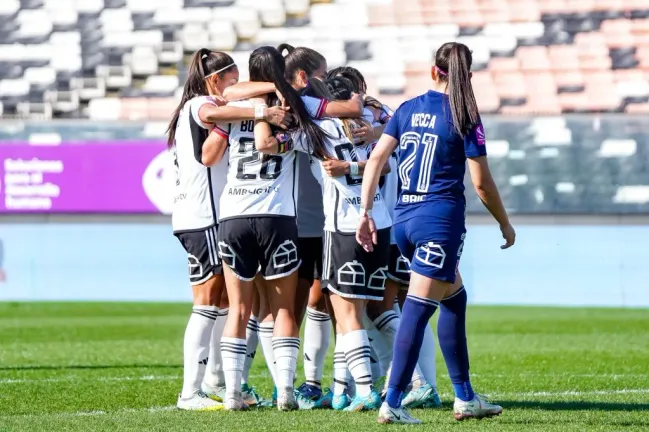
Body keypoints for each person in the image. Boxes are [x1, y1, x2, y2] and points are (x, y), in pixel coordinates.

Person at [356, 42, 516, 425]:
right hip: (438, 224)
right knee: (416, 309)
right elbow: (481, 183)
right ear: (469, 76)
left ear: (433, 71)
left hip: (405, 222)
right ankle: (393, 401)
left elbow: (376, 158)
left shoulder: (408, 108)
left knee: (455, 300)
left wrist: (365, 212)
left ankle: (465, 397)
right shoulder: (466, 115)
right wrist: (504, 222)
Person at [209, 46, 331, 411]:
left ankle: (232, 392)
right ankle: (286, 392)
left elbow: (224, 98)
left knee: (239, 310)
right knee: (284, 311)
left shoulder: (233, 111)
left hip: (233, 215)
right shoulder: (291, 109)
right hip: (277, 217)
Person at [167, 48, 290, 411]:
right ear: (215, 80)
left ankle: (215, 382)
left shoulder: (201, 105)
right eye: (233, 80)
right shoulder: (199, 104)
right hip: (203, 214)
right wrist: (263, 109)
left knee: (223, 301)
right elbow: (212, 114)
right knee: (207, 302)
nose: (238, 87)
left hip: (207, 215)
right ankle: (190, 391)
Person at [264, 76, 391, 412]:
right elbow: (387, 163)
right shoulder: (369, 125)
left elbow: (270, 145)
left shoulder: (317, 130)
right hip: (382, 224)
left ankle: (364, 390)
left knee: (344, 314)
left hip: (344, 227)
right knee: (358, 312)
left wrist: (270, 114)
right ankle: (341, 391)